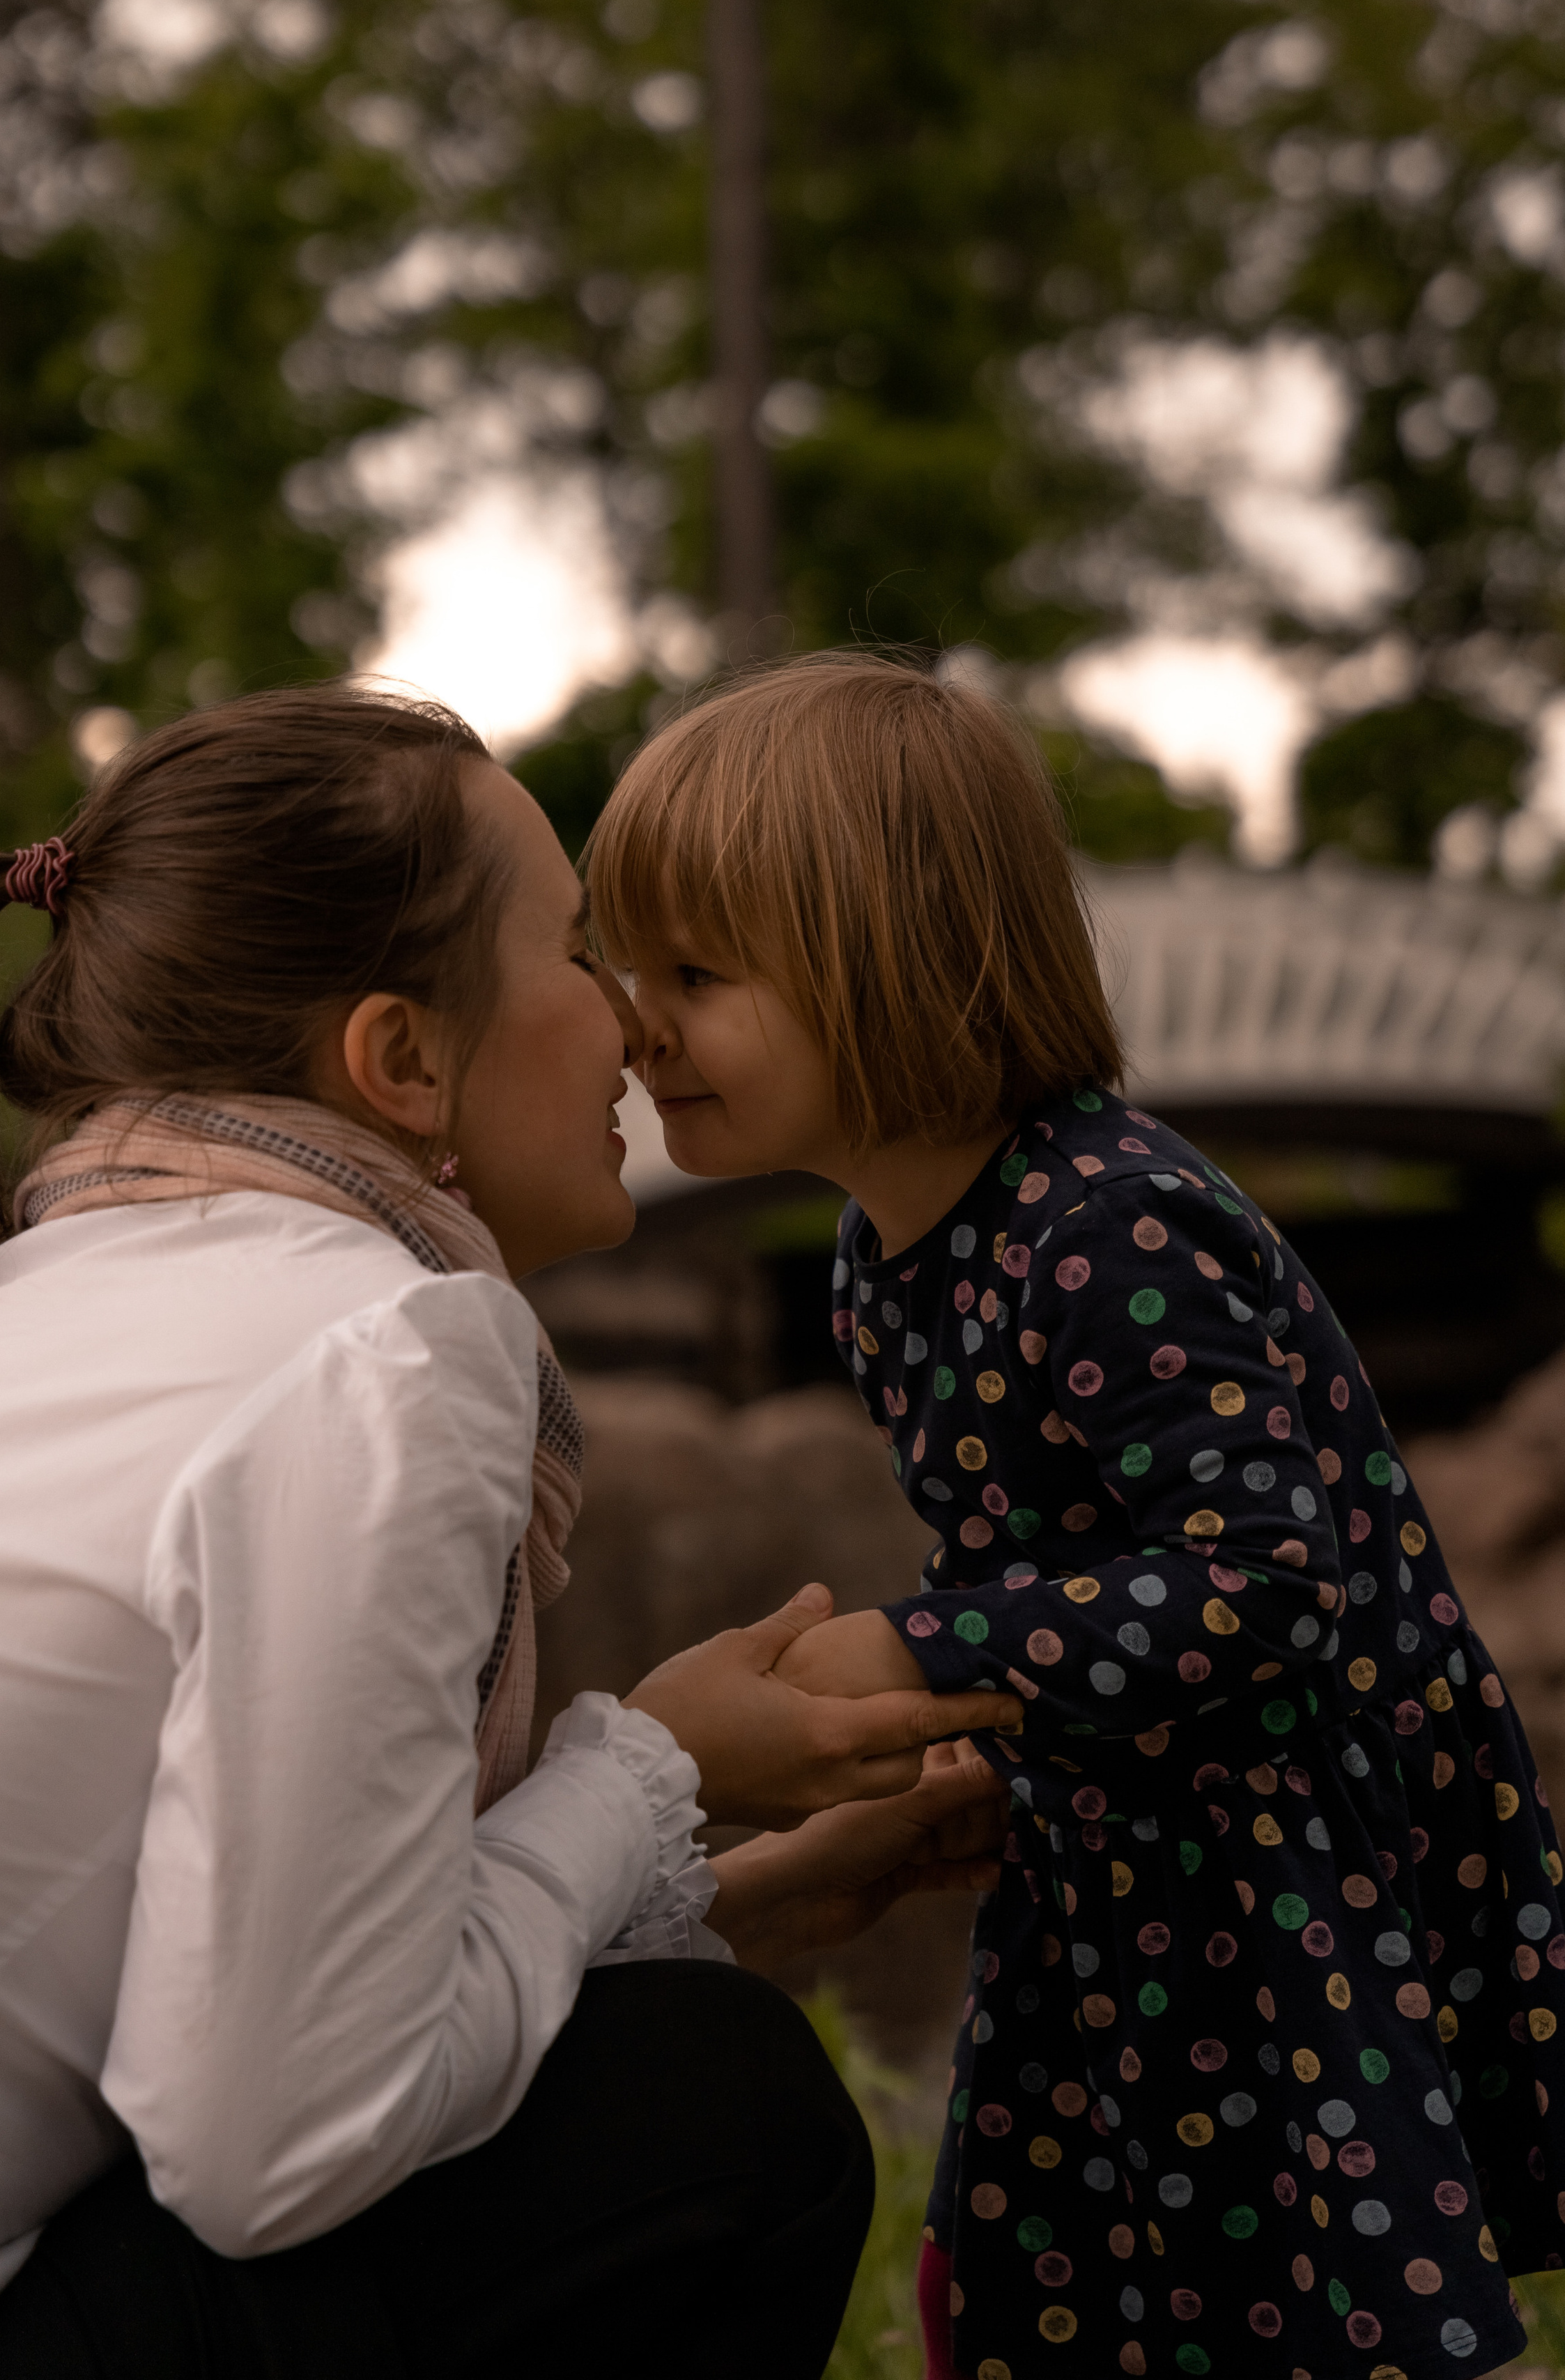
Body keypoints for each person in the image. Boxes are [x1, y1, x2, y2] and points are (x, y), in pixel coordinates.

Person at [0, 683, 1018, 2380]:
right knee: (712, 2110)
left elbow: (262, 1990)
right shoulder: (378, 1350)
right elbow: (270, 2149)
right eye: (582, 955)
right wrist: (645, 1767)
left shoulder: (0, 1318)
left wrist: (712, 1891)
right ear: (402, 1059)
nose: (634, 1028)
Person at [586, 648, 1565, 2380]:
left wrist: (930, 1644)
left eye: (693, 971)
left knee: (1308, 2282)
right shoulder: (886, 1259)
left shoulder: (1104, 1225)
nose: (632, 1021)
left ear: (892, 963)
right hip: (1116, 1841)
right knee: (1067, 2260)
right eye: (618, 967)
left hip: (1277, 1873)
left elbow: (1268, 1576)